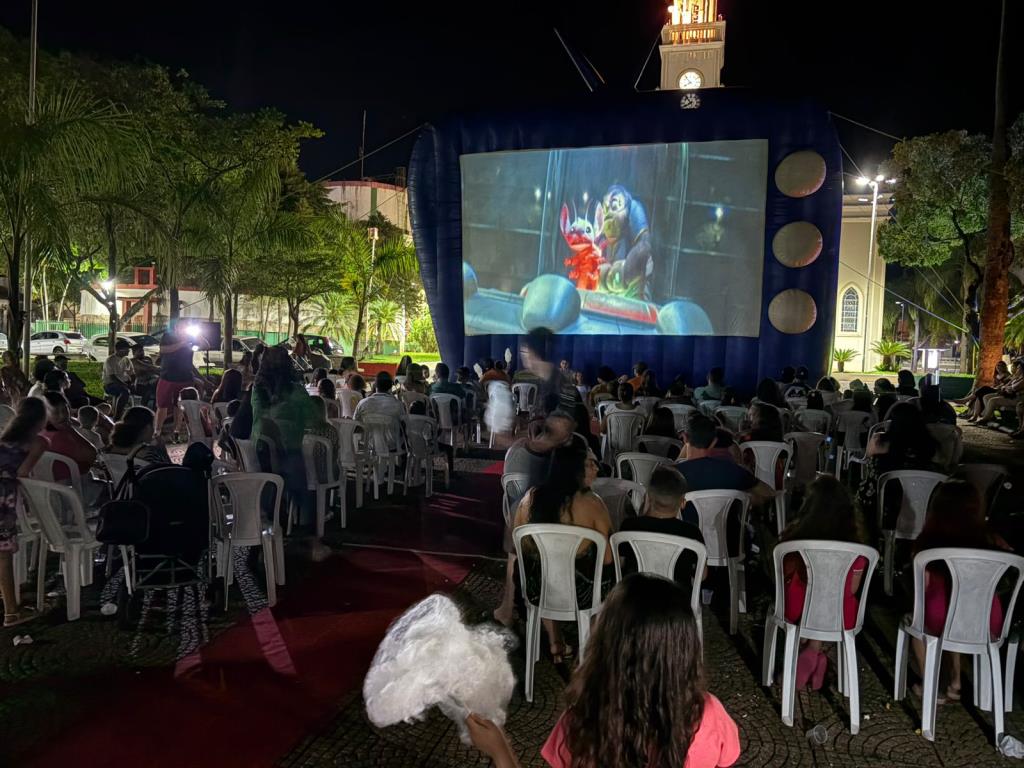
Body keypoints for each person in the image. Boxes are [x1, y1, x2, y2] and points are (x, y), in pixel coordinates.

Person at [467, 574, 741, 768]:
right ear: (686, 648)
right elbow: (725, 758)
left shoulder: (583, 719)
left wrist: (500, 750)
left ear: (607, 643)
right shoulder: (709, 713)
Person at [910, 481, 1010, 702]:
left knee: (918, 625)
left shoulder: (927, 543)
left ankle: (932, 686)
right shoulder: (991, 540)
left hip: (942, 616)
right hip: (987, 618)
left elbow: (922, 590)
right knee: (959, 614)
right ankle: (955, 680)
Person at [513, 443, 612, 661]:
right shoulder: (593, 504)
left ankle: (554, 640)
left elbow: (521, 549)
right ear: (573, 471)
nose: (596, 468)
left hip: (537, 589)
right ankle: (590, 645)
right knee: (610, 578)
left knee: (542, 568)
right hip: (581, 593)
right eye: (589, 464)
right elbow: (607, 560)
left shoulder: (529, 499)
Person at [778, 476, 868, 690]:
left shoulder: (794, 540)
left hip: (798, 608)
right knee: (834, 599)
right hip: (840, 615)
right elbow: (852, 589)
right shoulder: (857, 549)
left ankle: (808, 653)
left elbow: (784, 576)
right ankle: (814, 652)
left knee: (801, 597)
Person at [677, 414, 774, 544]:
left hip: (686, 542)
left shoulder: (673, 473)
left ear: (684, 438)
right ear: (713, 443)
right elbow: (769, 492)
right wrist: (743, 500)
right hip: (729, 543)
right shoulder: (735, 471)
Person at [0, 397, 49, 627]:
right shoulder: (38, 442)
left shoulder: (4, 438)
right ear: (41, 419)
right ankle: (11, 612)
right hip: (3, 497)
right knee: (3, 555)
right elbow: (23, 471)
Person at [857, 402, 939, 530]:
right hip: (921, 503)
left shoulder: (879, 441)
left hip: (882, 505)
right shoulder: (929, 446)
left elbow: (867, 456)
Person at [620, 466, 704, 584]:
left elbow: (620, 564)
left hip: (634, 598)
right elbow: (702, 574)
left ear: (648, 497)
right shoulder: (692, 532)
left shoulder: (629, 525)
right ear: (683, 503)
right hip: (676, 599)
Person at [41, 391, 97, 475]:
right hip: (70, 483)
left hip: (41, 483)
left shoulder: (38, 431)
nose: (62, 416)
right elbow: (92, 454)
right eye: (56, 412)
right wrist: (71, 430)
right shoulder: (61, 435)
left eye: (65, 410)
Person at [154, 332, 196, 438]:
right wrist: (182, 343)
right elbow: (163, 349)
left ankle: (176, 431)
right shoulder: (168, 336)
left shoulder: (191, 336)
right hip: (167, 376)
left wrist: (198, 336)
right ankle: (157, 431)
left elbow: (206, 345)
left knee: (180, 405)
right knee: (162, 405)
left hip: (185, 378)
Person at [106, 406, 172, 464]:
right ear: (147, 428)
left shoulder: (109, 450)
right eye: (154, 426)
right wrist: (163, 452)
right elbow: (173, 473)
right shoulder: (149, 455)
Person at [975, 359, 1024, 424]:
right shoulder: (1016, 377)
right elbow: (1006, 386)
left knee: (991, 400)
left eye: (1018, 368)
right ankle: (989, 415)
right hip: (1008, 395)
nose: (1016, 369)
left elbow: (1014, 387)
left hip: (1017, 398)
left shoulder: (1020, 378)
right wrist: (1008, 387)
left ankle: (985, 418)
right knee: (985, 397)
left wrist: (1008, 387)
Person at [102, 339, 134, 419]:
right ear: (120, 350)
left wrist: (133, 383)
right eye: (127, 349)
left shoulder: (127, 360)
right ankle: (117, 416)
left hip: (125, 383)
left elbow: (132, 374)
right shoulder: (110, 360)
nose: (128, 351)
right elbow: (112, 377)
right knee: (124, 391)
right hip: (110, 385)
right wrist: (125, 385)